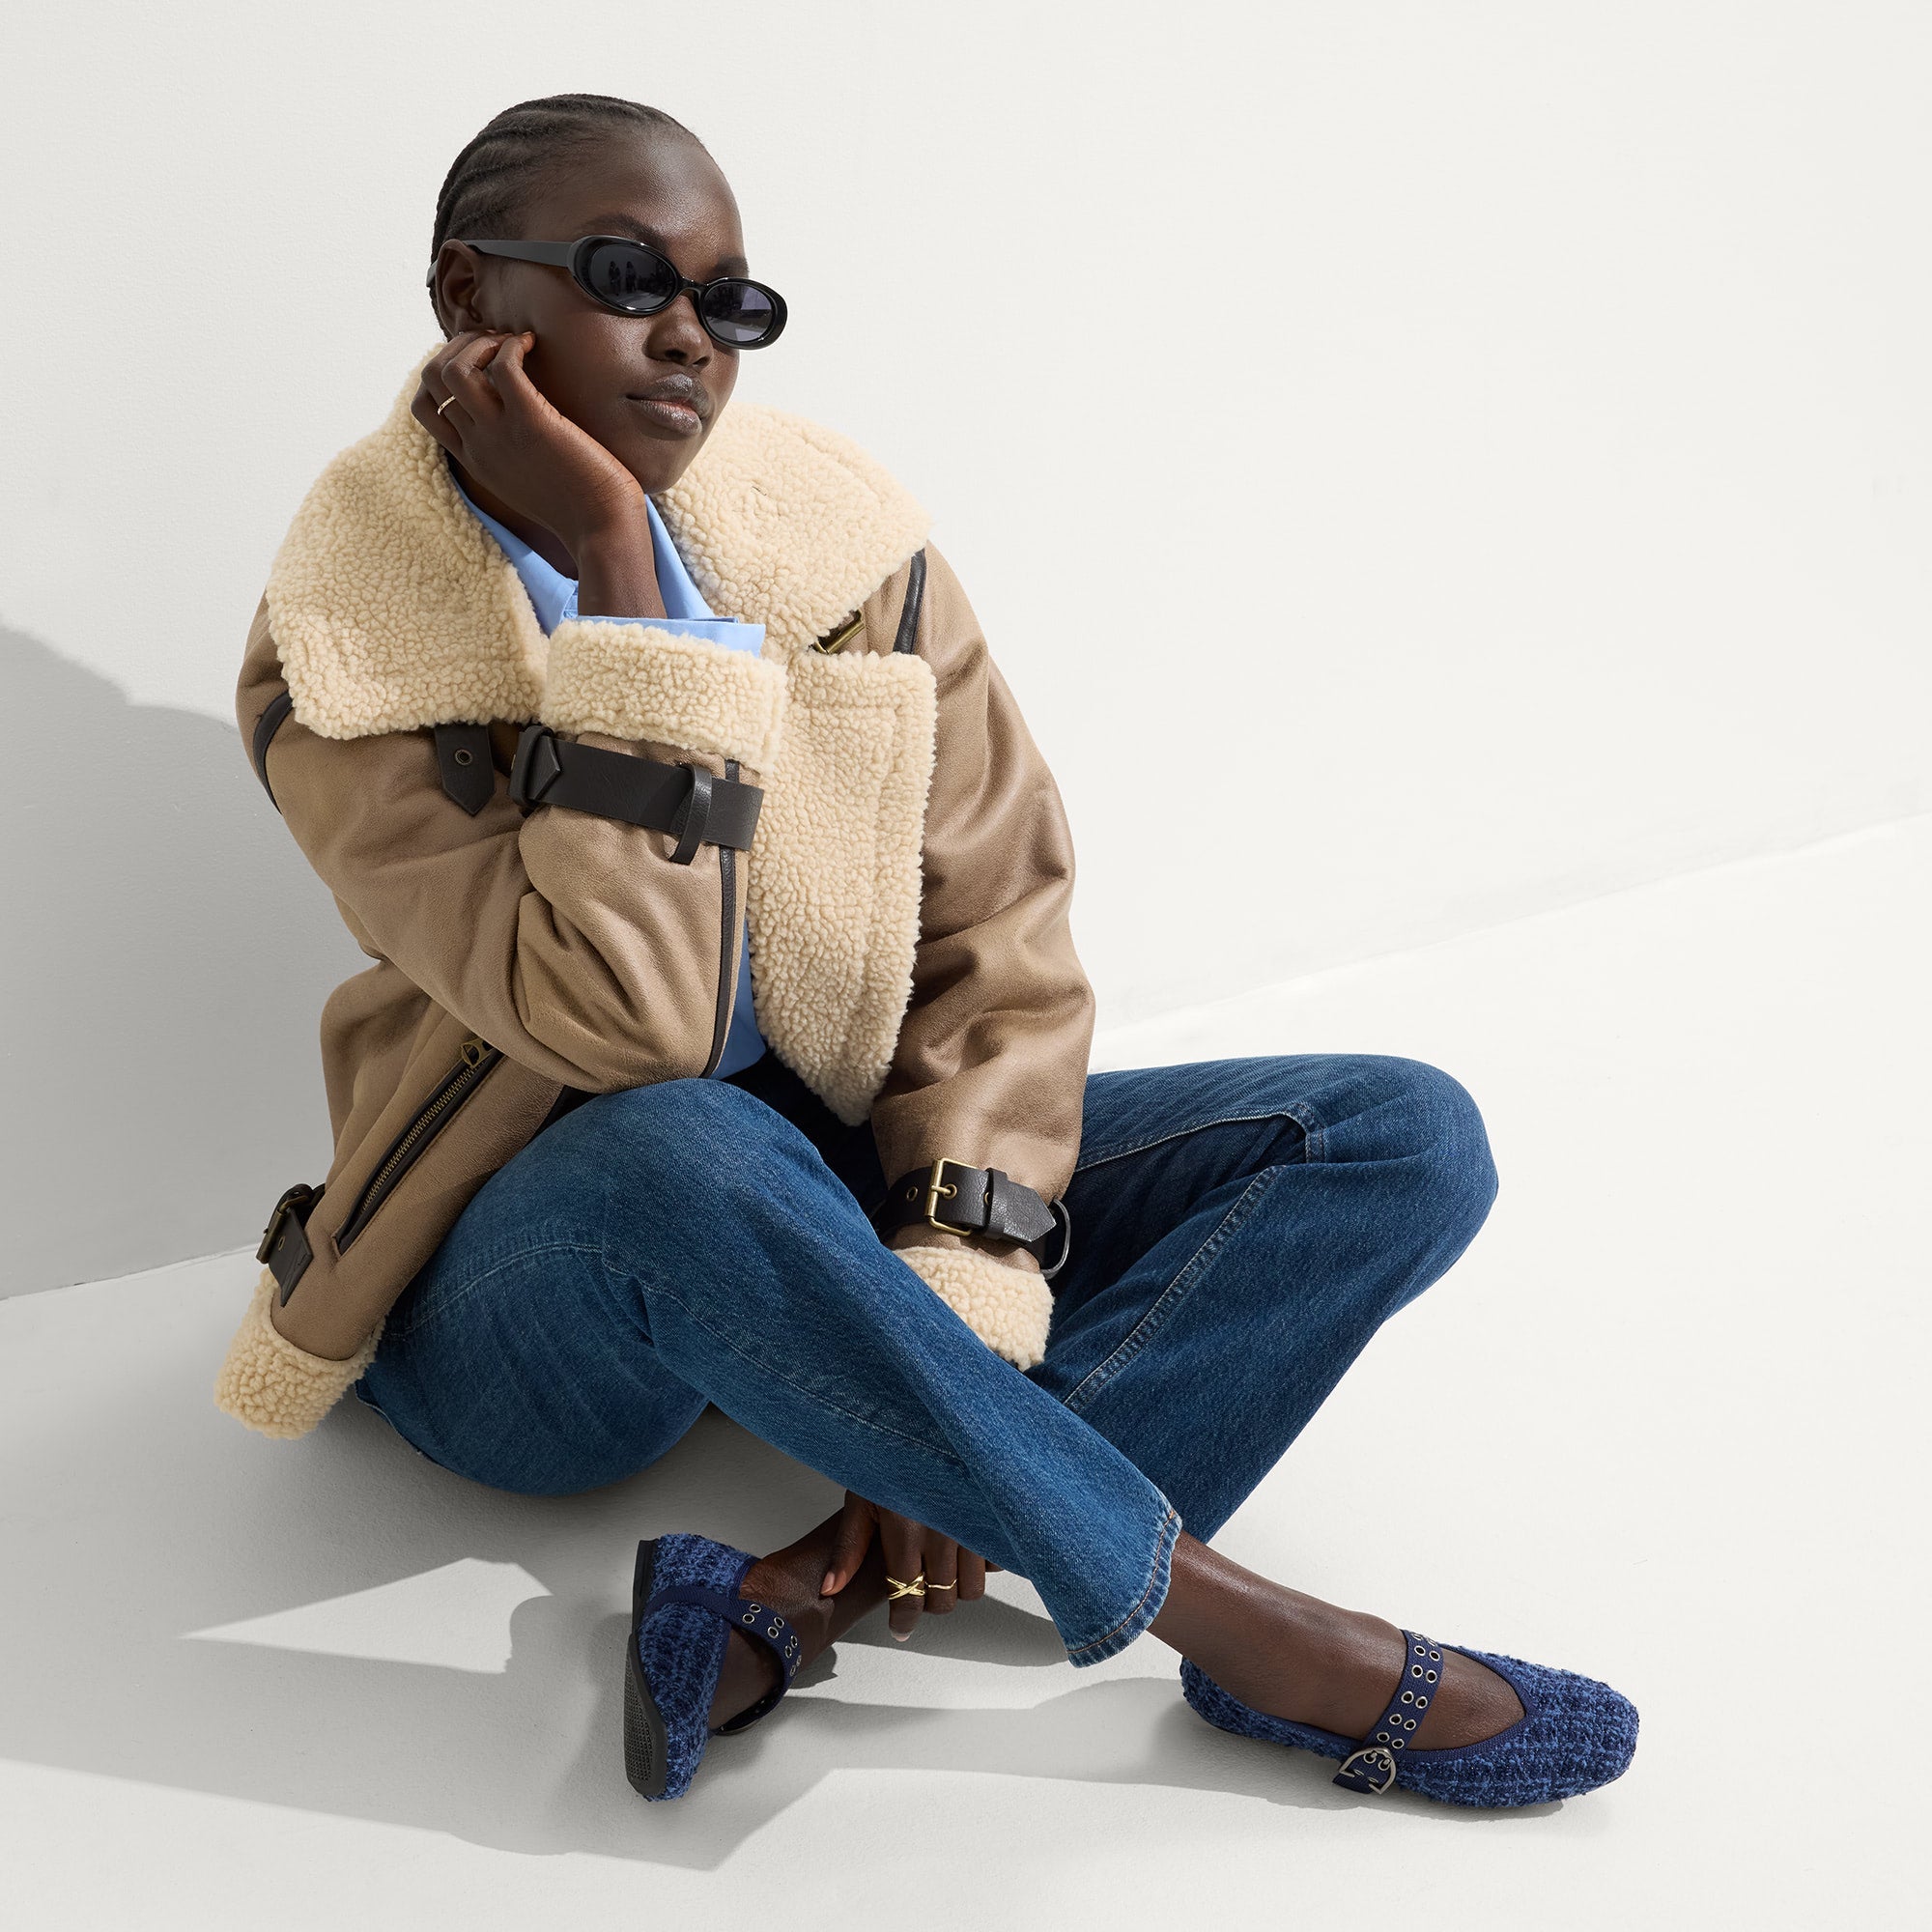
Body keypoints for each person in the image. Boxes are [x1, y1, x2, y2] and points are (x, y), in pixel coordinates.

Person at [217, 92, 1637, 1810]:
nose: (691, 338)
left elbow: (996, 937)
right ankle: (1248, 1635)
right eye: (627, 277)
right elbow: (631, 1031)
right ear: (469, 296)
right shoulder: (347, 648)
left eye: (731, 301)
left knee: (1396, 1133)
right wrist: (619, 586)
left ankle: (805, 1585)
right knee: (686, 1138)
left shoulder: (841, 554)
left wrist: (961, 1277)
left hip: (823, 1178)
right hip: (526, 1284)